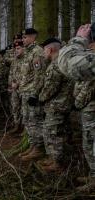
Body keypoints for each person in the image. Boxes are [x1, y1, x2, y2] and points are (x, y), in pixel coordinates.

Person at [35, 38, 74, 172]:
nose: (43, 53)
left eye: (44, 49)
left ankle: (57, 163)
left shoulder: (55, 65)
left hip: (56, 105)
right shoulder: (62, 62)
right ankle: (53, 158)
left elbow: (50, 89)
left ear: (50, 49)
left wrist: (39, 99)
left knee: (52, 133)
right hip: (63, 104)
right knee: (58, 132)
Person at [17, 28, 46, 161]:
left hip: (32, 93)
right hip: (25, 91)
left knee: (35, 121)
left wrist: (35, 94)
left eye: (25, 37)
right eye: (23, 37)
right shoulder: (27, 52)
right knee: (28, 120)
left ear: (33, 37)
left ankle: (39, 148)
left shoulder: (37, 52)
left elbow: (39, 75)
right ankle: (33, 145)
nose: (23, 40)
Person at [72, 38, 95, 192]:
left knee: (91, 144)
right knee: (88, 143)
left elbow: (88, 87)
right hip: (87, 109)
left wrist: (77, 103)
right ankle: (93, 175)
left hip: (90, 109)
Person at [7, 41, 25, 134]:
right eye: (15, 49)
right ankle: (16, 125)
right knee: (15, 107)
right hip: (14, 89)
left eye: (18, 48)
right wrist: (10, 85)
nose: (16, 51)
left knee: (23, 109)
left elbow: (28, 75)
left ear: (23, 48)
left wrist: (18, 83)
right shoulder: (14, 60)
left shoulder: (26, 59)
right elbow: (11, 73)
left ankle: (24, 127)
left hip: (23, 88)